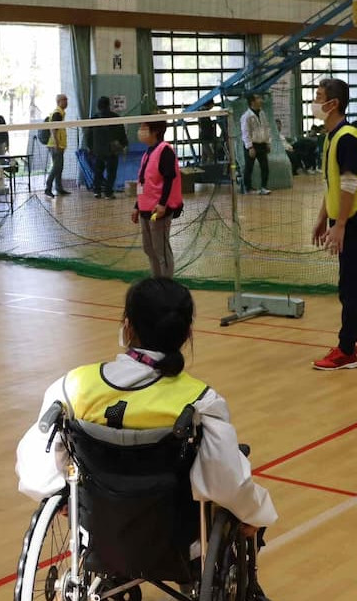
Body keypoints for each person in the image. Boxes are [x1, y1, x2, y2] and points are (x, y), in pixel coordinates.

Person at [15, 278, 276, 601]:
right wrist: (255, 516)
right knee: (235, 473)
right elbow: (226, 483)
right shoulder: (199, 401)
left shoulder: (73, 386)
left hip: (99, 531)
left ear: (127, 326)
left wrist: (62, 497)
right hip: (179, 543)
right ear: (187, 333)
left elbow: (34, 469)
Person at [310, 78, 357, 371]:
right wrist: (321, 219)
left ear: (333, 104)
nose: (315, 102)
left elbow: (350, 183)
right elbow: (334, 184)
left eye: (318, 97)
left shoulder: (348, 137)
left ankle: (346, 351)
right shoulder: (332, 136)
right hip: (348, 219)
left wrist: (339, 224)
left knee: (351, 286)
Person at [131, 118, 182, 278]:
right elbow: (143, 182)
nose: (140, 131)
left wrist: (162, 204)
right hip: (145, 208)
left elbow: (169, 179)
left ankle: (167, 284)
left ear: (155, 131)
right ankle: (156, 281)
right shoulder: (148, 152)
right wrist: (137, 206)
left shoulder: (165, 150)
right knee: (149, 248)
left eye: (144, 127)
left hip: (158, 210)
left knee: (161, 249)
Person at [84, 96, 128, 200]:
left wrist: (90, 148)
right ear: (109, 105)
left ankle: (97, 191)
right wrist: (124, 144)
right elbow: (121, 134)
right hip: (111, 150)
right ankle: (108, 193)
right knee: (111, 172)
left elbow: (88, 136)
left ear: (98, 106)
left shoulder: (93, 118)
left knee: (98, 171)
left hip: (98, 151)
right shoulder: (116, 118)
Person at [240, 94, 272, 195]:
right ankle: (247, 188)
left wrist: (268, 142)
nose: (261, 100)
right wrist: (250, 147)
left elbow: (266, 128)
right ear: (252, 102)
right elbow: (245, 132)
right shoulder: (246, 116)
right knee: (249, 167)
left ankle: (264, 187)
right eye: (258, 98)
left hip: (262, 143)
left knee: (265, 167)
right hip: (252, 145)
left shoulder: (262, 113)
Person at [45, 94, 71, 197]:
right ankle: (48, 187)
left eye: (67, 99)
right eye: (64, 100)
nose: (66, 102)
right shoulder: (57, 113)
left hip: (60, 145)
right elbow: (53, 129)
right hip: (55, 145)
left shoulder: (61, 113)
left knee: (60, 167)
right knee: (56, 167)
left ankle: (59, 188)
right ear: (59, 101)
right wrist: (56, 143)